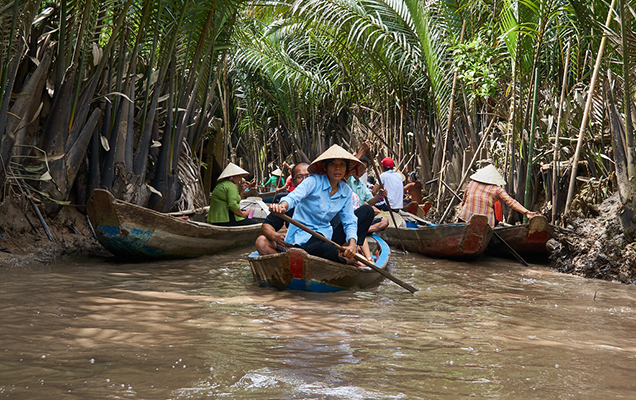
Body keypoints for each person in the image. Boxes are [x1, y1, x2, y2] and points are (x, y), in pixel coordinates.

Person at [270, 144, 373, 264]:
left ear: (346, 169)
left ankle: (350, 251)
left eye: (342, 165)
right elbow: (293, 197)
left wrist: (352, 243)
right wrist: (282, 206)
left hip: (326, 236)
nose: (337, 168)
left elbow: (349, 220)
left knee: (367, 211)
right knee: (328, 249)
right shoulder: (313, 181)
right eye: (333, 164)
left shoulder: (346, 190)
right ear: (325, 167)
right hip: (303, 237)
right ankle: (346, 261)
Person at [457, 163, 537, 227]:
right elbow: (512, 202)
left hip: (465, 218)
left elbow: (464, 201)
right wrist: (527, 212)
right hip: (485, 223)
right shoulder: (497, 190)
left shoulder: (472, 183)